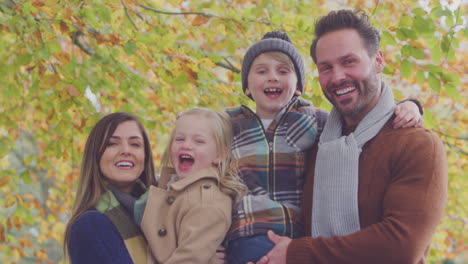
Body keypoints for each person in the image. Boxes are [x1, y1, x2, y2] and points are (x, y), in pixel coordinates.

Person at [251, 9, 448, 264]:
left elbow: (401, 246)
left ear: (378, 61)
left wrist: (298, 253)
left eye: (349, 62)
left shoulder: (416, 144)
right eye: (326, 67)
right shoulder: (313, 139)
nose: (337, 77)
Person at [113, 107, 247, 263]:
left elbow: (189, 258)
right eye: (180, 139)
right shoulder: (172, 186)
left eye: (199, 141)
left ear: (220, 155)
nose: (187, 145)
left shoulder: (209, 204)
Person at [64, 112, 156, 263]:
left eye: (135, 144)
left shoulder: (162, 215)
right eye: (112, 143)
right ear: (96, 156)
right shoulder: (90, 225)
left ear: (145, 157)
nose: (126, 150)